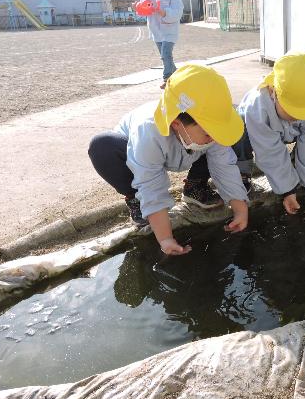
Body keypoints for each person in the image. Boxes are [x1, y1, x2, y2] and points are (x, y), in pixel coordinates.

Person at [88, 65, 249, 256]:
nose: (214, 137)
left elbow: (224, 166)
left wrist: (240, 210)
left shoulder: (208, 129)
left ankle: (195, 186)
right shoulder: (147, 133)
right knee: (102, 147)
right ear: (176, 124)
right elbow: (151, 183)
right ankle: (134, 199)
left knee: (215, 147)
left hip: (189, 148)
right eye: (208, 133)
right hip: (133, 157)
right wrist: (165, 238)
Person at [233, 52, 305, 215]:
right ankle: (242, 171)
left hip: (289, 132)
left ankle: (296, 163)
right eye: (293, 111)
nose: (299, 117)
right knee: (237, 122)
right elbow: (270, 151)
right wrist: (288, 191)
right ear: (273, 92)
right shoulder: (257, 107)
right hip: (252, 134)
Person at [136, 0, 183, 89]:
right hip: (156, 30)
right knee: (165, 56)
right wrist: (138, 7)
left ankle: (167, 77)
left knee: (165, 54)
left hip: (170, 30)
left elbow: (178, 11)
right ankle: (176, 73)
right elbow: (142, 6)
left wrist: (164, 12)